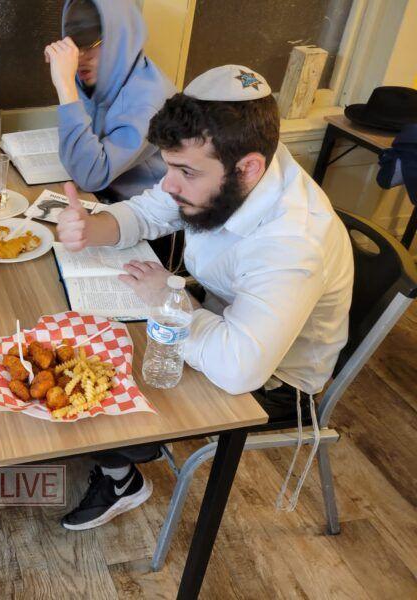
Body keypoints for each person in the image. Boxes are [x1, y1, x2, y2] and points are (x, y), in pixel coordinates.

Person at [56, 65, 354, 530]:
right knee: (88, 344)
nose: (170, 184)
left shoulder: (294, 241)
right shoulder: (236, 162)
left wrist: (166, 300)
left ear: (248, 168)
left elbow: (239, 368)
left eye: (185, 172)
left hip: (274, 381)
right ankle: (117, 459)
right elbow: (153, 210)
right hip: (215, 314)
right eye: (169, 165)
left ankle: (120, 475)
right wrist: (93, 228)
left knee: (108, 377)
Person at [44, 0, 175, 202]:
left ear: (120, 39)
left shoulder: (149, 101)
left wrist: (65, 85)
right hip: (102, 198)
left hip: (142, 213)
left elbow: (90, 175)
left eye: (91, 45)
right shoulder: (102, 77)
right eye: (74, 46)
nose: (80, 57)